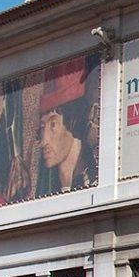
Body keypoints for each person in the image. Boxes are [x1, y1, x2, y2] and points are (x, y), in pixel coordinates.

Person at [36, 58, 98, 196]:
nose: (43, 141)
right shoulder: (43, 192)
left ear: (73, 122)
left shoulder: (95, 183)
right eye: (42, 126)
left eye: (53, 124)